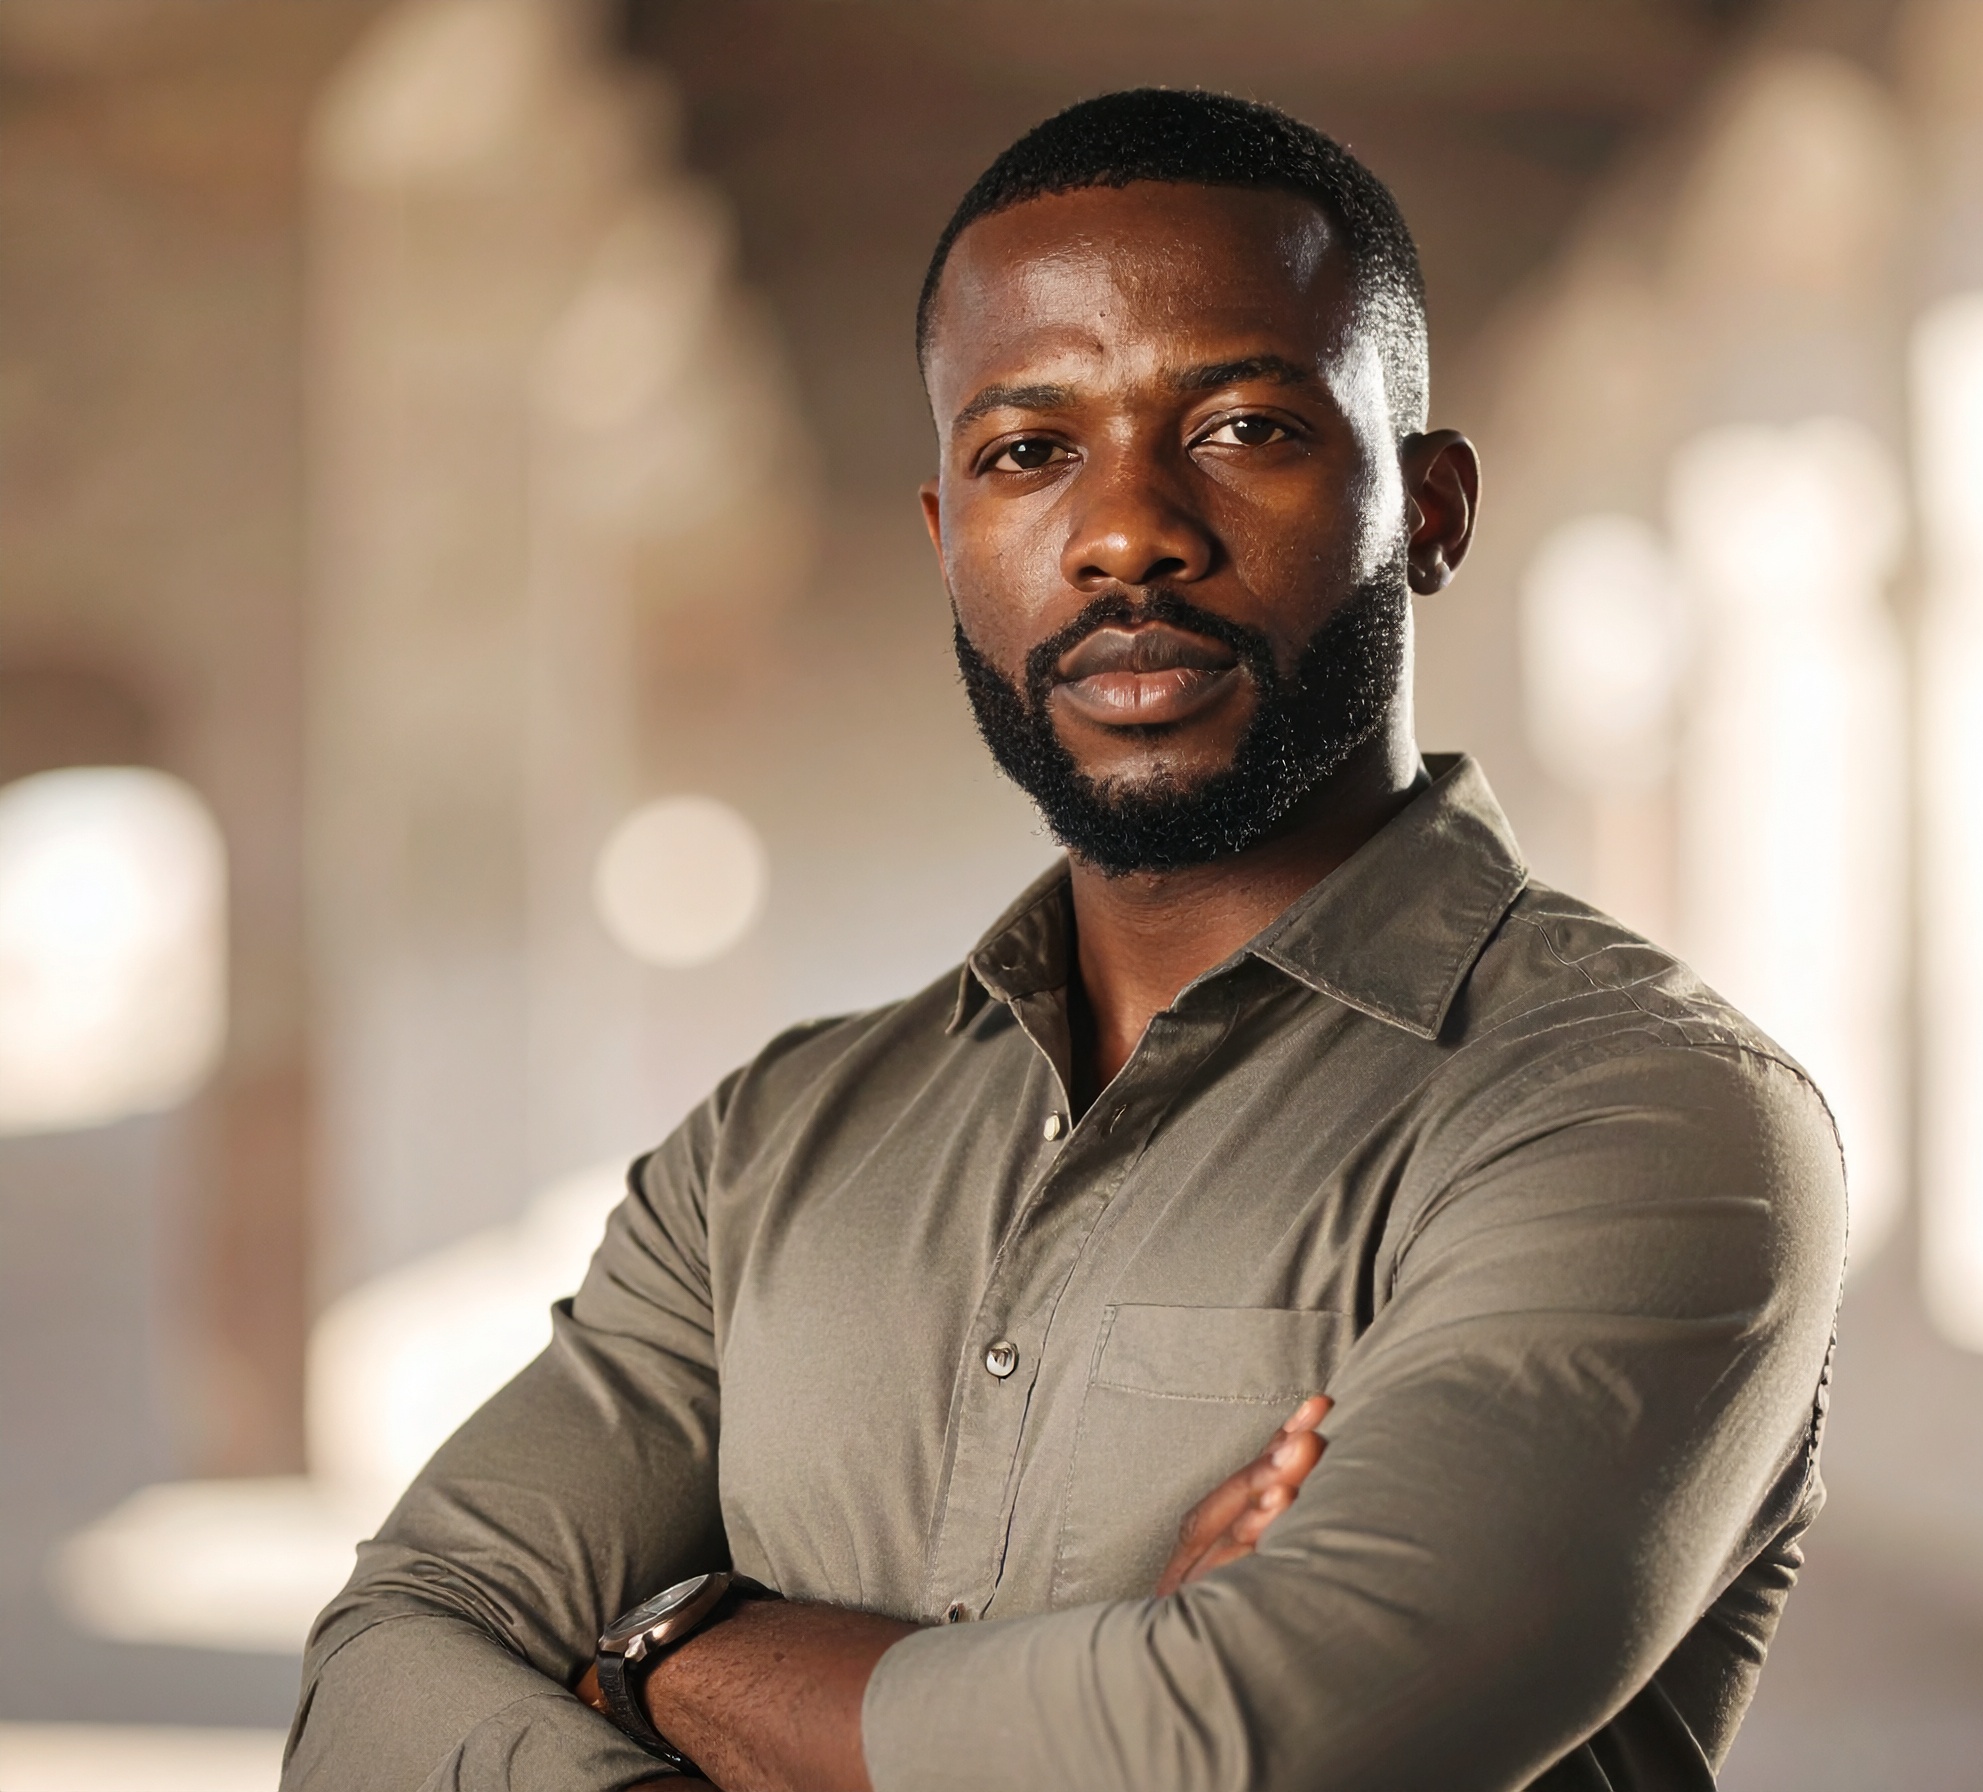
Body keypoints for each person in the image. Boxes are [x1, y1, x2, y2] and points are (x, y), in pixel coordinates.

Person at [284, 88, 1843, 1792]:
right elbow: (383, 1673)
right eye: (1030, 451)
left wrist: (662, 1658)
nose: (1126, 533)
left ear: (1433, 507)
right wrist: (1070, 1702)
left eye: (1245, 428)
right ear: (952, 545)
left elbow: (1239, 1745)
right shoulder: (770, 1151)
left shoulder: (1641, 1121)